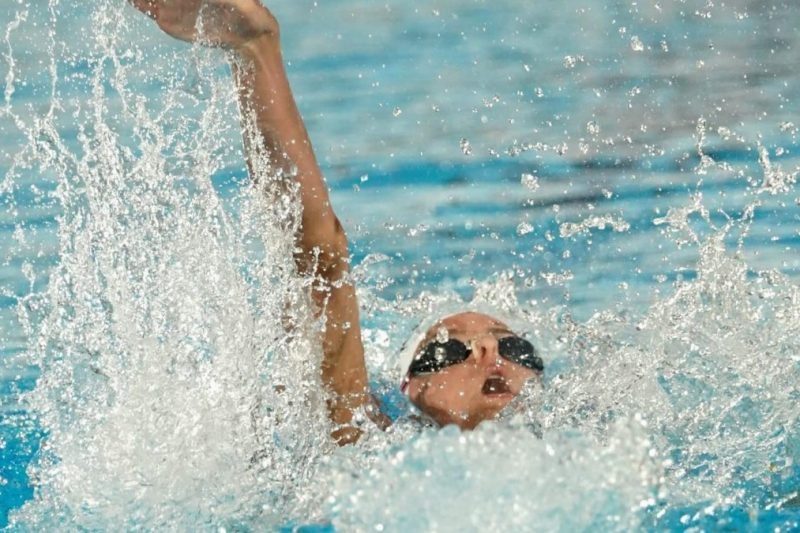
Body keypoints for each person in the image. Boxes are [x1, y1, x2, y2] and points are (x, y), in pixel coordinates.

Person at [129, 0, 544, 445]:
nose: (488, 349)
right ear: (409, 388)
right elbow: (321, 262)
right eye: (446, 349)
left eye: (515, 346)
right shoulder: (366, 441)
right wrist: (255, 49)